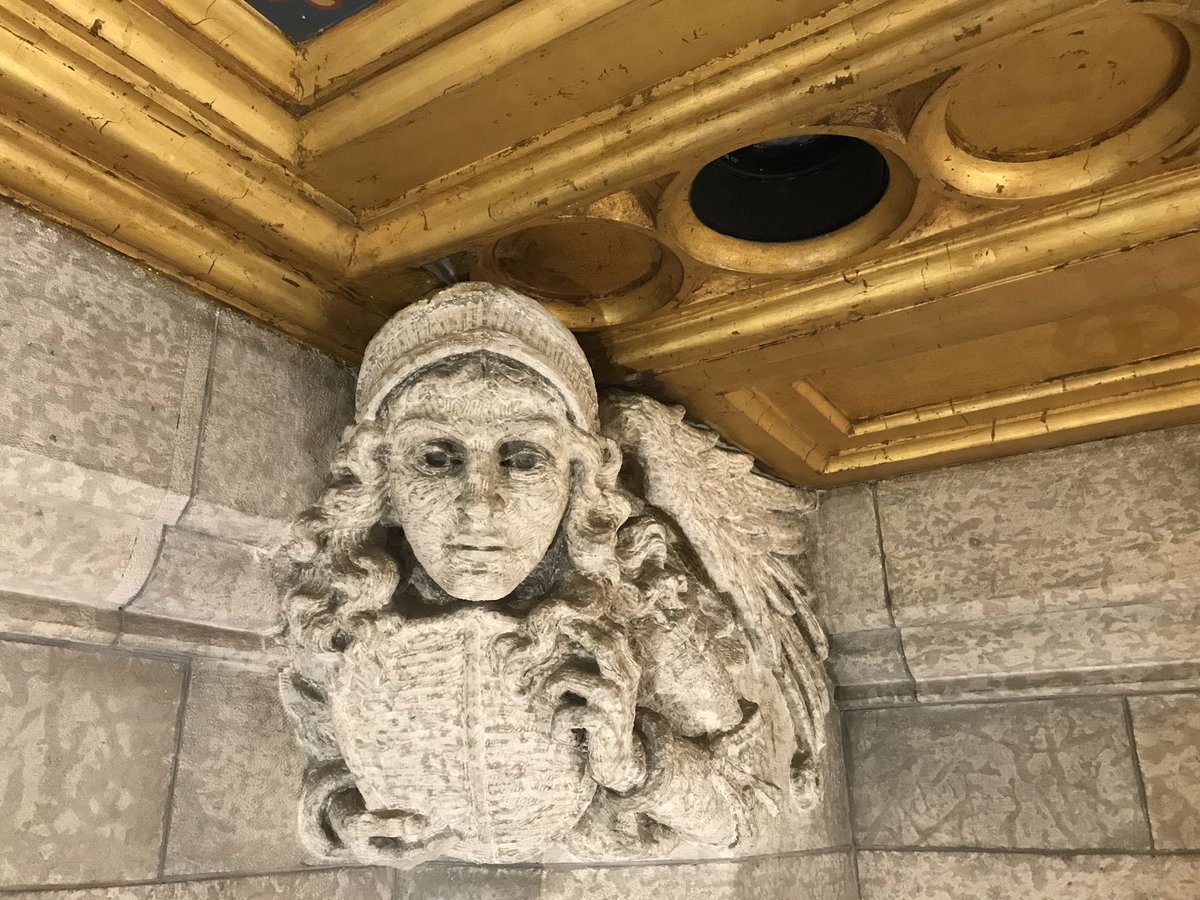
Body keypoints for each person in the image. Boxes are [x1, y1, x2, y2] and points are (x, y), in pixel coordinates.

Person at [277, 282, 829, 866]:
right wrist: (344, 814)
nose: (479, 504)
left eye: (522, 458)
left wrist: (635, 762)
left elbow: (750, 808)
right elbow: (331, 753)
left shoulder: (638, 614)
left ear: (575, 482)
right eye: (437, 458)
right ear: (382, 483)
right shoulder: (345, 610)